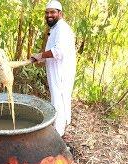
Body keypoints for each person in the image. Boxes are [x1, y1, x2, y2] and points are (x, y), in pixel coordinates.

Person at [30, 0, 76, 137]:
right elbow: (52, 51)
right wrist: (39, 58)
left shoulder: (62, 29)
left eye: (52, 12)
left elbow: (58, 52)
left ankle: (57, 135)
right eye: (47, 12)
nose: (49, 15)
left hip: (61, 72)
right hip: (56, 70)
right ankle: (59, 128)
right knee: (58, 99)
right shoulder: (55, 29)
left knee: (59, 100)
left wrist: (40, 55)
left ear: (60, 13)